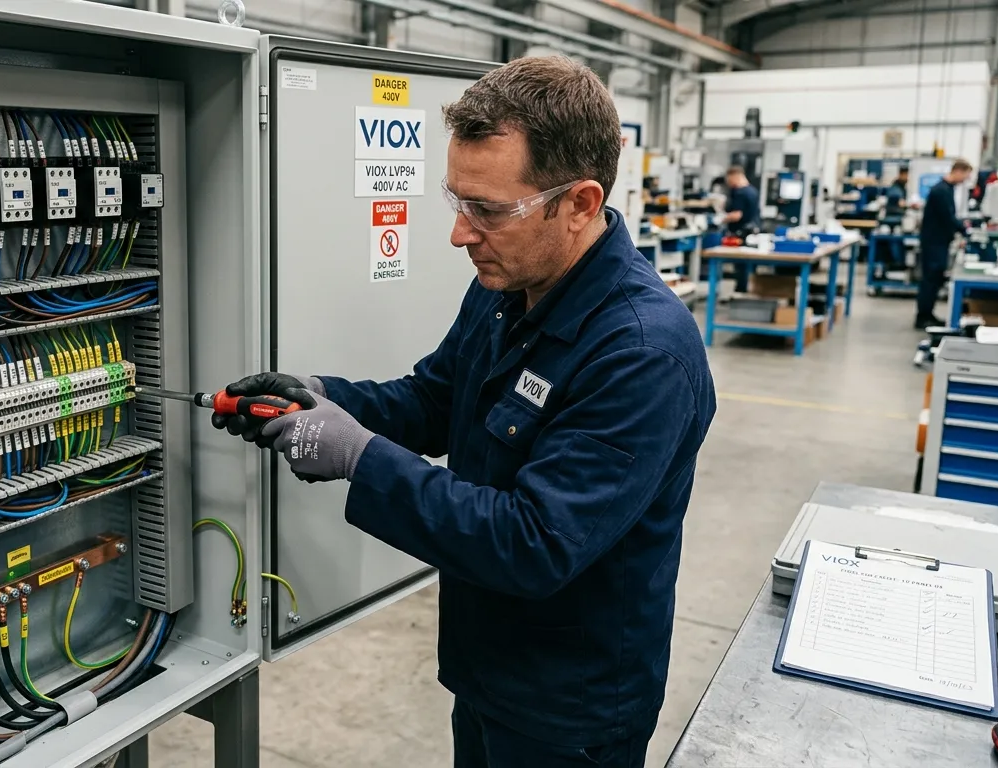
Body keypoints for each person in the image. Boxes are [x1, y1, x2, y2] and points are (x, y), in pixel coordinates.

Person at [213, 56, 716, 768]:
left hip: (570, 710)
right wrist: (324, 398)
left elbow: (533, 542)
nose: (460, 234)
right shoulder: (508, 284)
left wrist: (359, 455)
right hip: (487, 668)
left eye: (488, 210)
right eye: (458, 201)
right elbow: (434, 399)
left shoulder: (642, 354)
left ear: (579, 203)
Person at [915, 159, 972, 329]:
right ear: (958, 171)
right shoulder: (941, 191)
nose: (965, 180)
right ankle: (923, 317)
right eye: (966, 176)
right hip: (934, 243)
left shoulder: (946, 189)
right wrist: (965, 230)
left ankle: (927, 313)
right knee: (930, 280)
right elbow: (947, 217)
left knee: (934, 279)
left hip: (939, 242)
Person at [722, 166, 760, 292]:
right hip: (753, 232)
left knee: (740, 266)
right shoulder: (753, 191)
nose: (730, 184)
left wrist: (720, 218)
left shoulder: (740, 192)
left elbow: (737, 215)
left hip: (740, 233)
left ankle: (740, 291)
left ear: (735, 177)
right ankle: (748, 290)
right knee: (749, 265)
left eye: (730, 180)